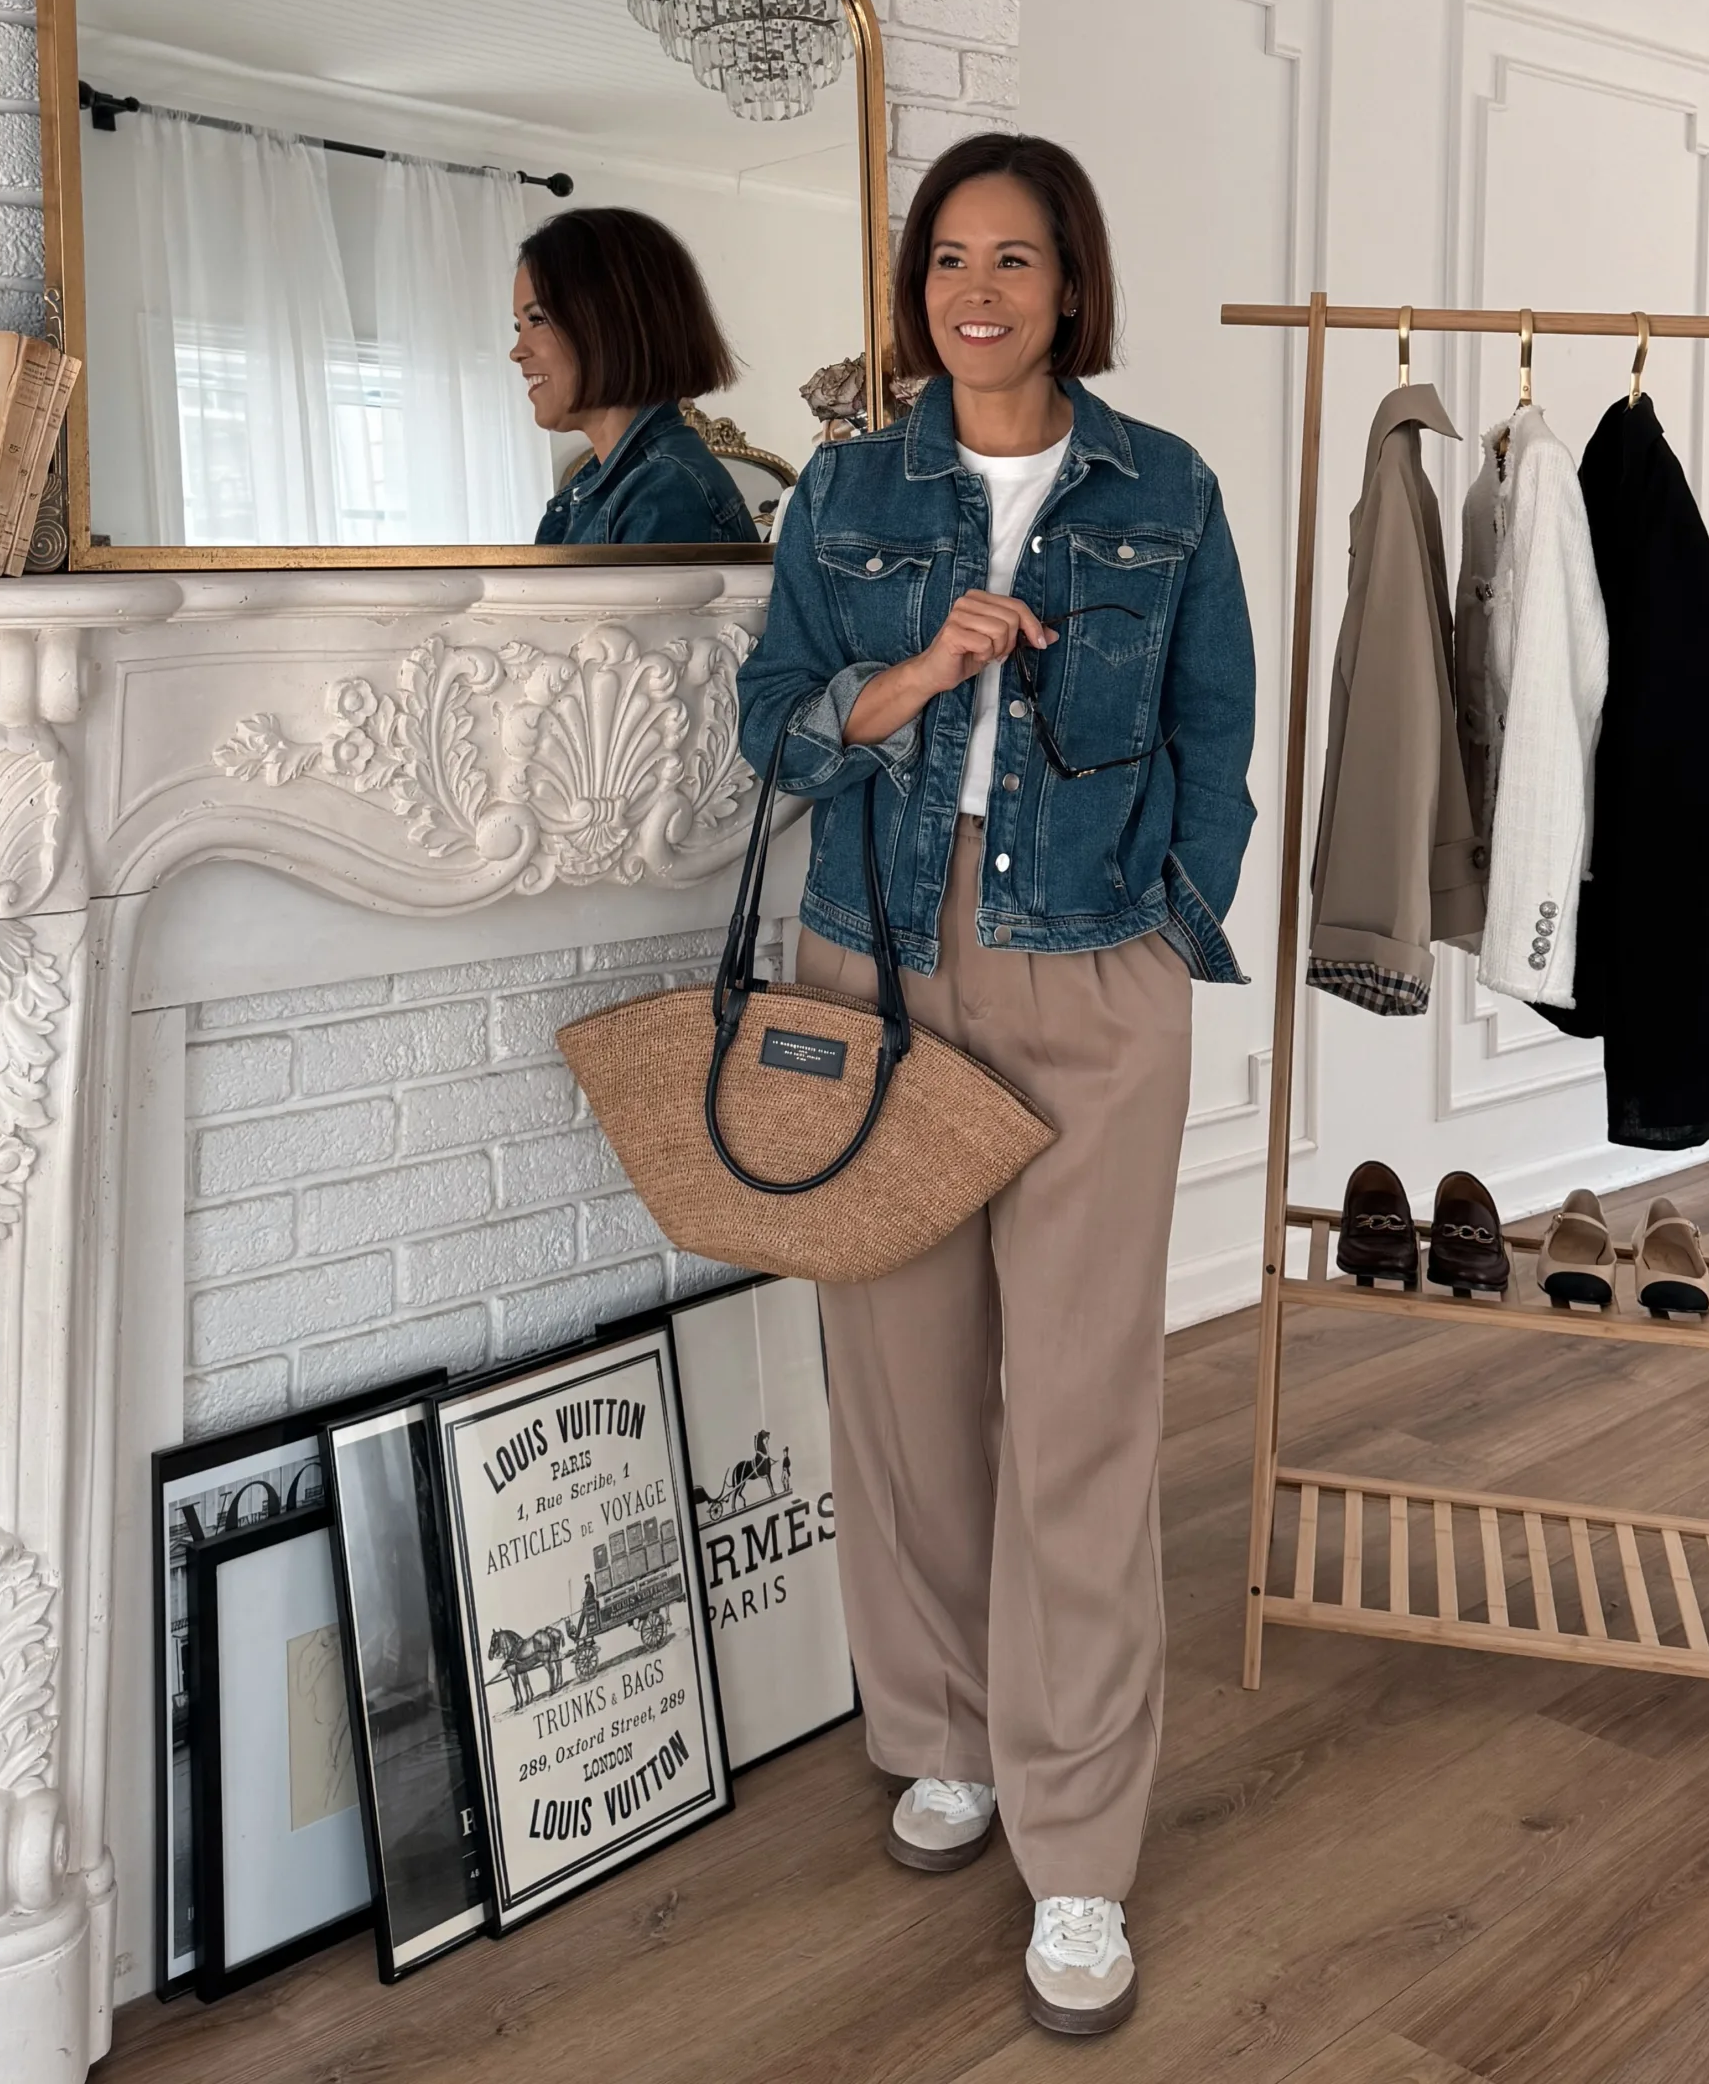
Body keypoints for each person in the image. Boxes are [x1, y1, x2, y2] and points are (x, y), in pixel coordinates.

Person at [735, 132, 1256, 2039]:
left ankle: (1084, 1842)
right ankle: (943, 1734)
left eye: (1016, 260)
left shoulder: (1167, 490)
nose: (979, 291)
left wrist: (1161, 930)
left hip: (1091, 960)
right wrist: (913, 678)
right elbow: (772, 725)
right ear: (917, 287)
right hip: (875, 951)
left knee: (1082, 1411)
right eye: (949, 259)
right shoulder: (851, 492)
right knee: (903, 1381)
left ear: (1069, 285)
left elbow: (1220, 743)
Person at [515, 207, 761, 546]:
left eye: (538, 319)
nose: (517, 351)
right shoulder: (602, 490)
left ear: (611, 323)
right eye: (519, 325)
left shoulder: (665, 494)